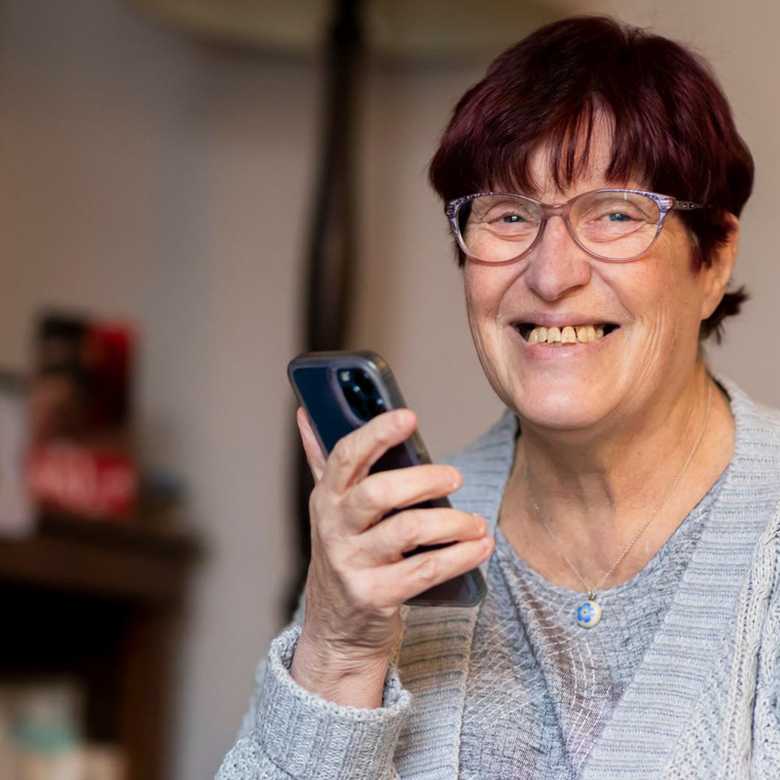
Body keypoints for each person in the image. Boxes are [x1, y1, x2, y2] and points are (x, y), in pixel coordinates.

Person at [218, 16, 780, 779]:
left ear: (711, 260)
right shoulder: (395, 556)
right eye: (509, 214)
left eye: (614, 213)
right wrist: (339, 652)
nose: (551, 275)